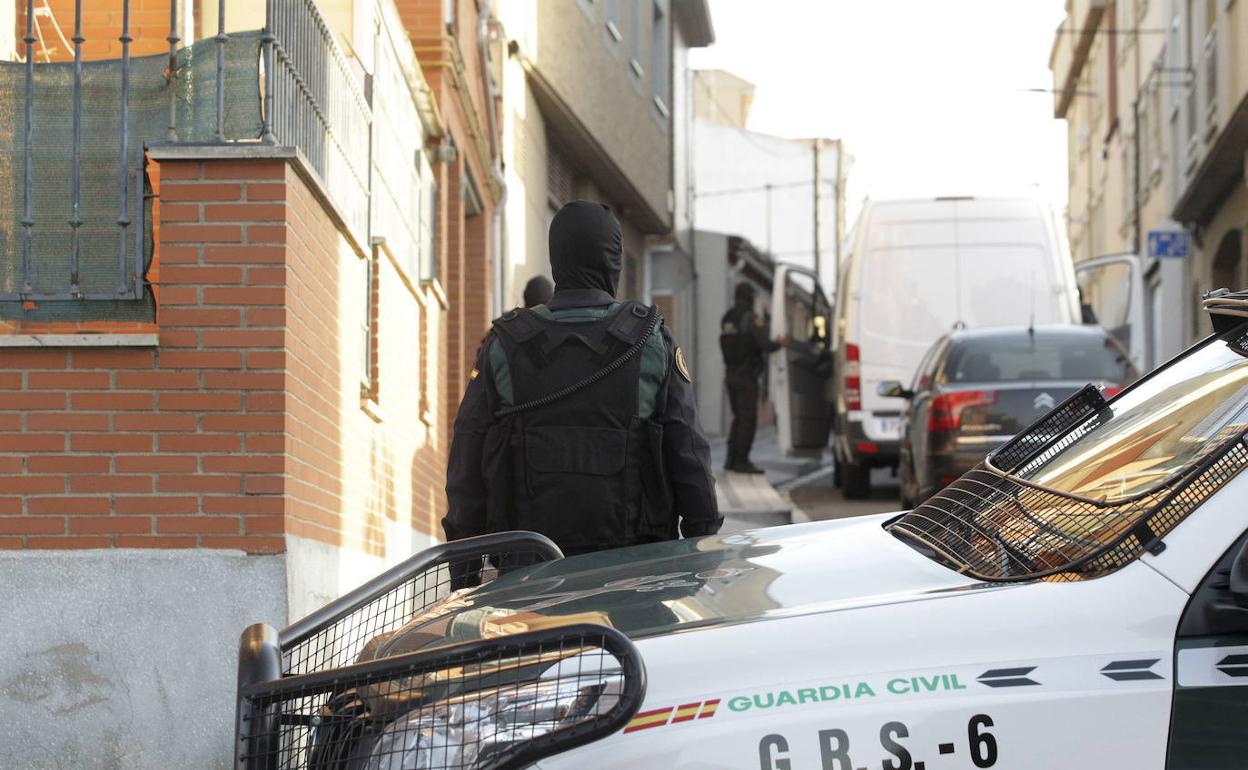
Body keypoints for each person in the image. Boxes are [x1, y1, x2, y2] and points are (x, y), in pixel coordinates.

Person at [444, 200, 721, 556]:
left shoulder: (504, 345)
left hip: (527, 584)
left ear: (557, 257)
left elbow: (467, 462)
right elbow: (690, 456)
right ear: (613, 258)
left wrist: (463, 577)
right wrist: (705, 544)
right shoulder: (650, 339)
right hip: (635, 578)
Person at [720, 282, 788, 474]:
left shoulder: (728, 318)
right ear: (749, 297)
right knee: (747, 419)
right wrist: (780, 343)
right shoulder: (750, 318)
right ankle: (742, 461)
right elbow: (766, 344)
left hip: (730, 375)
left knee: (738, 418)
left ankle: (730, 460)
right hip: (746, 376)